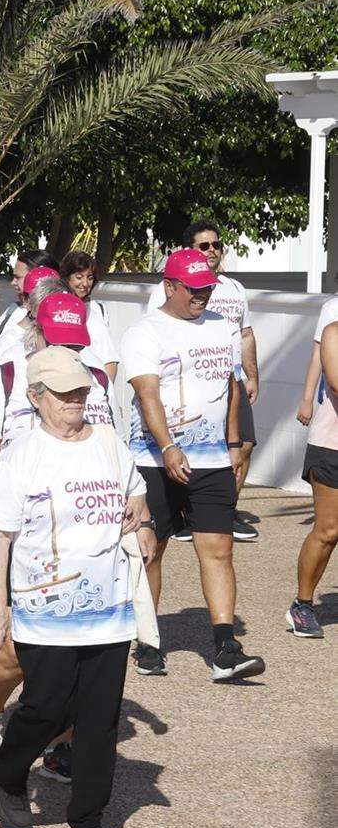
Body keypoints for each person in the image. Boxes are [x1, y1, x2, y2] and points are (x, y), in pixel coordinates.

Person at [0, 347, 153, 828]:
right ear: (36, 398)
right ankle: (9, 771)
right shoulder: (21, 455)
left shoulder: (108, 442)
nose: (76, 400)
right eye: (63, 394)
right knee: (45, 707)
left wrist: (139, 517)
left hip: (109, 606)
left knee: (99, 718)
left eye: (80, 390)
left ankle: (88, 817)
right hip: (45, 609)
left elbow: (136, 489)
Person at [119, 248, 262, 681]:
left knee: (219, 550)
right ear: (170, 286)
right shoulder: (144, 333)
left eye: (207, 289)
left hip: (213, 460)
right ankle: (147, 640)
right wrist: (167, 447)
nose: (202, 297)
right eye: (194, 290)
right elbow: (147, 395)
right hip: (155, 460)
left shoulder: (222, 327)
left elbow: (231, 388)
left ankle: (225, 648)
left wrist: (234, 442)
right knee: (151, 550)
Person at [182, 220, 258, 542]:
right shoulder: (174, 285)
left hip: (233, 379)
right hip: (196, 380)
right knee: (192, 447)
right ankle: (186, 514)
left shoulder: (234, 288)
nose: (212, 250)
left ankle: (226, 511)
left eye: (216, 245)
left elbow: (246, 333)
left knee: (245, 443)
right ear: (190, 249)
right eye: (204, 245)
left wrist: (252, 374)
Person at [292, 313, 338, 638]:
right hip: (331, 445)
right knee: (328, 530)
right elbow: (336, 382)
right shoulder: (334, 333)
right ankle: (302, 604)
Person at [59, 250, 119, 381]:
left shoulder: (97, 309)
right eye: (79, 277)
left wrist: (106, 393)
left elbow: (109, 359)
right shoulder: (55, 308)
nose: (85, 284)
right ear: (66, 277)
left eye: (90, 277)